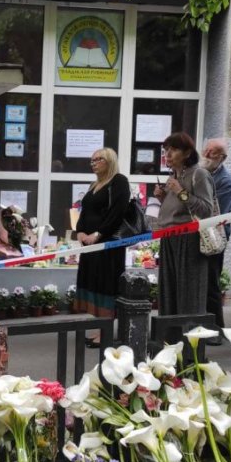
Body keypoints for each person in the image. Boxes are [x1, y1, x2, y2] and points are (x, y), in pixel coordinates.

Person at [153, 133, 215, 318]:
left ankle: (189, 332)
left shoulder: (199, 174)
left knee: (188, 292)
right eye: (166, 150)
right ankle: (170, 331)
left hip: (189, 239)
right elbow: (179, 207)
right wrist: (163, 197)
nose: (167, 154)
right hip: (169, 238)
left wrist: (180, 191)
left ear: (187, 153)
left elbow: (206, 210)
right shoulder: (174, 175)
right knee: (169, 291)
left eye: (173, 150)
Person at [73, 148, 130, 348]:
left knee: (106, 285)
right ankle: (98, 327)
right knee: (93, 284)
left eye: (98, 159)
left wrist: (98, 234)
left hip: (108, 245)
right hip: (90, 246)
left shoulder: (119, 181)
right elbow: (84, 211)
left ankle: (105, 332)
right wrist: (80, 231)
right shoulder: (94, 185)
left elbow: (117, 212)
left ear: (109, 161)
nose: (93, 163)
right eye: (92, 160)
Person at [201, 139, 231, 345]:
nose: (206, 154)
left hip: (214, 238)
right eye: (206, 149)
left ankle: (215, 330)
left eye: (212, 152)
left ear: (222, 158)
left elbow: (215, 212)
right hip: (196, 236)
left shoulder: (226, 181)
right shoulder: (199, 173)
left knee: (211, 283)